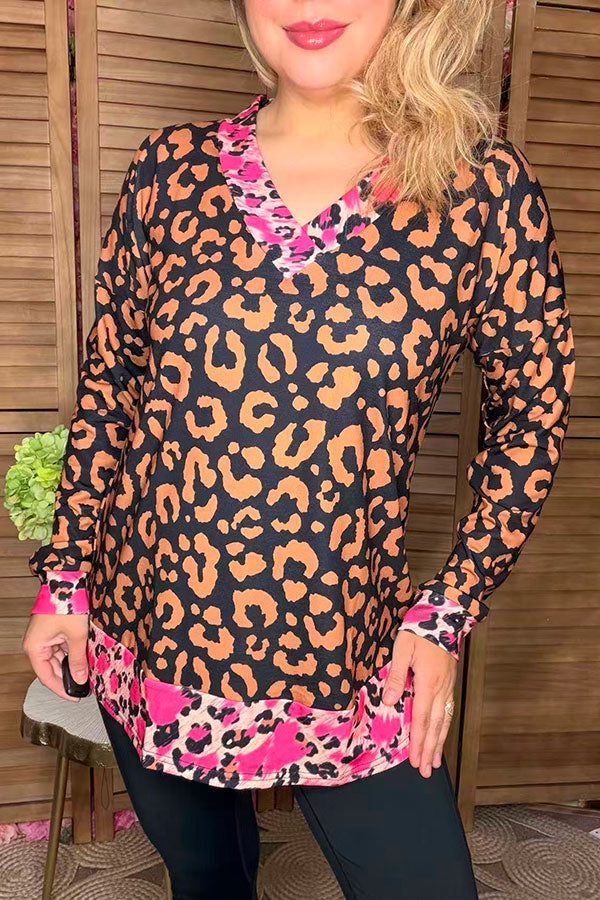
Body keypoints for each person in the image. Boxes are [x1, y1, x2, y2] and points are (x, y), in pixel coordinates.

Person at [22, 0, 575, 897]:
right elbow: (111, 390)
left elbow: (533, 414)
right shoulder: (168, 170)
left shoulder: (478, 186)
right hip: (153, 630)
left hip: (347, 648)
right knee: (208, 878)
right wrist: (65, 579)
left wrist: (449, 609)